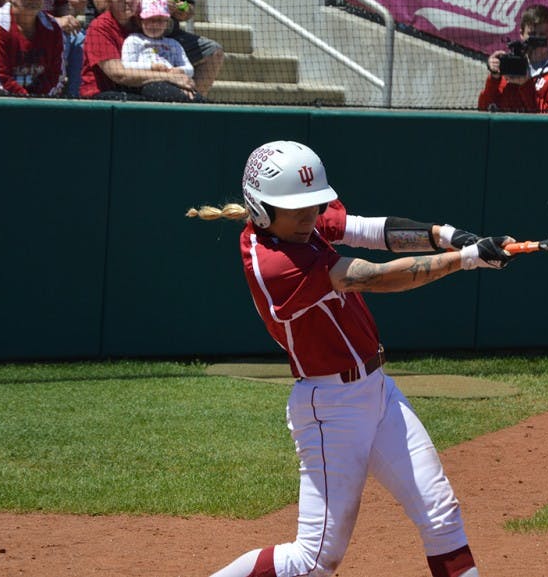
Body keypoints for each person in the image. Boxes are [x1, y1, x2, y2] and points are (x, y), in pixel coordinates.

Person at [187, 140, 513, 577]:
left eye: (313, 205)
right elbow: (374, 278)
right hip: (331, 409)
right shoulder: (274, 262)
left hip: (378, 391)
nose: (310, 217)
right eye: (297, 209)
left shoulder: (300, 226)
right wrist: (467, 260)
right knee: (314, 560)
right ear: (262, 210)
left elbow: (371, 230)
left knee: (441, 514)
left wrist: (446, 234)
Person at [81, 0, 222, 95]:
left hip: (162, 36)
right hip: (111, 79)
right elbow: (101, 4)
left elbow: (189, 7)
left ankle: (191, 101)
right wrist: (154, 3)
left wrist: (180, 10)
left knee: (213, 52)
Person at [79, 0, 197, 101]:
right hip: (104, 93)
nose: (128, 0)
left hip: (140, 87)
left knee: (186, 96)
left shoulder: (143, 20)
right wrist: (170, 77)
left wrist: (180, 79)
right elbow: (119, 75)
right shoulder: (99, 28)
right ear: (108, 1)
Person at [477, 4, 548, 113]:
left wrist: (526, 85)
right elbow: (484, 108)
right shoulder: (510, 63)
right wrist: (494, 78)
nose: (536, 40)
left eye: (542, 35)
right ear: (521, 34)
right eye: (532, 34)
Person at [120, 0, 192, 78]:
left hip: (172, 80)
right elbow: (126, 65)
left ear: (167, 23)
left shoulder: (173, 44)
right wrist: (151, 67)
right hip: (146, 82)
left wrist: (181, 70)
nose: (155, 25)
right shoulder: (134, 40)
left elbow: (190, 69)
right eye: (150, 20)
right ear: (140, 21)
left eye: (160, 20)